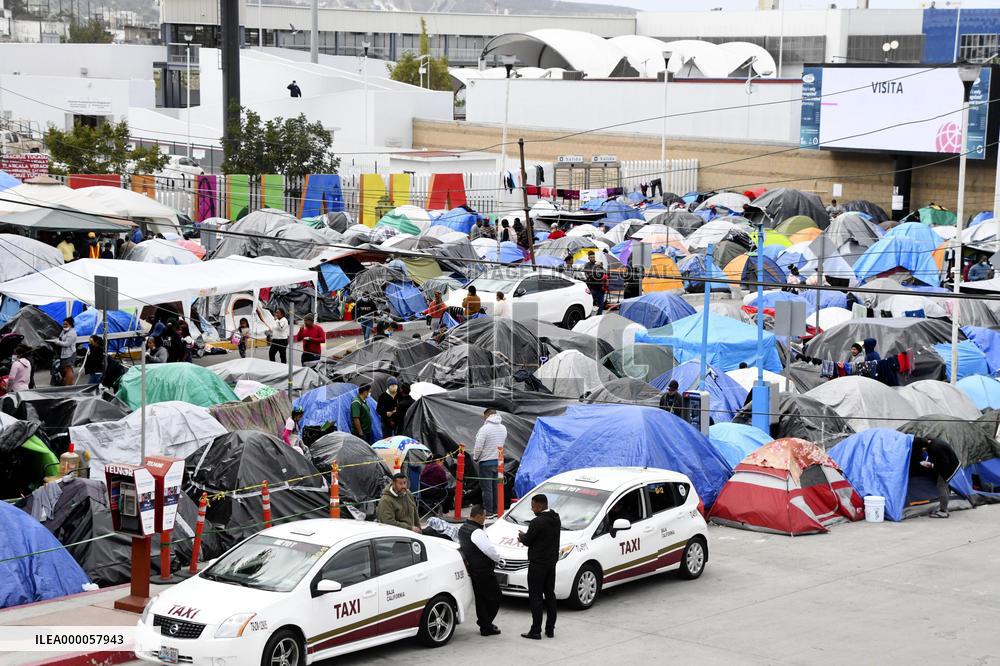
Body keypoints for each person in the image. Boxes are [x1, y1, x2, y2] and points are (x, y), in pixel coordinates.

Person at [518, 494, 561, 640]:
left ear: (541, 506)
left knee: (535, 597)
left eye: (533, 505)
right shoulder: (556, 518)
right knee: (550, 595)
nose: (532, 508)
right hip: (551, 563)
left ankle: (535, 630)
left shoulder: (537, 522)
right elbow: (543, 537)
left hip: (538, 565)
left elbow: (529, 541)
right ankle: (550, 629)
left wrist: (522, 538)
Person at [458, 504, 502, 637]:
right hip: (483, 570)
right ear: (477, 516)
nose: (485, 519)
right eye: (483, 516)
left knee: (481, 598)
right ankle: (486, 624)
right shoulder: (477, 532)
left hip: (473, 569)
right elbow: (489, 550)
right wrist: (499, 559)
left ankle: (484, 624)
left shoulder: (463, 528)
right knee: (495, 597)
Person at [915, 436, 959, 519]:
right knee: (944, 486)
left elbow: (944, 463)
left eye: (923, 449)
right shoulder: (931, 441)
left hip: (949, 467)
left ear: (924, 447)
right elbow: (935, 457)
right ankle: (944, 507)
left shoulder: (936, 448)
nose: (923, 451)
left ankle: (943, 512)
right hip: (950, 464)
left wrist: (930, 465)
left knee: (941, 486)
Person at [474, 408, 506, 517]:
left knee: (487, 489)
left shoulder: (484, 429)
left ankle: (489, 511)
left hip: (486, 462)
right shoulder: (503, 428)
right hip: (499, 462)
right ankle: (497, 510)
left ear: (487, 415)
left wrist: (475, 457)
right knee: (497, 488)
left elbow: (479, 446)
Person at [54, 317, 77, 386]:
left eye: (66, 324)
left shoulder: (72, 333)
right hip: (64, 354)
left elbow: (67, 344)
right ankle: (68, 384)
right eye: (63, 324)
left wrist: (57, 342)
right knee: (65, 369)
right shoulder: (65, 331)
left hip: (69, 354)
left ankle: (70, 385)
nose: (64, 326)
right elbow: (60, 337)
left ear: (71, 324)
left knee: (68, 369)